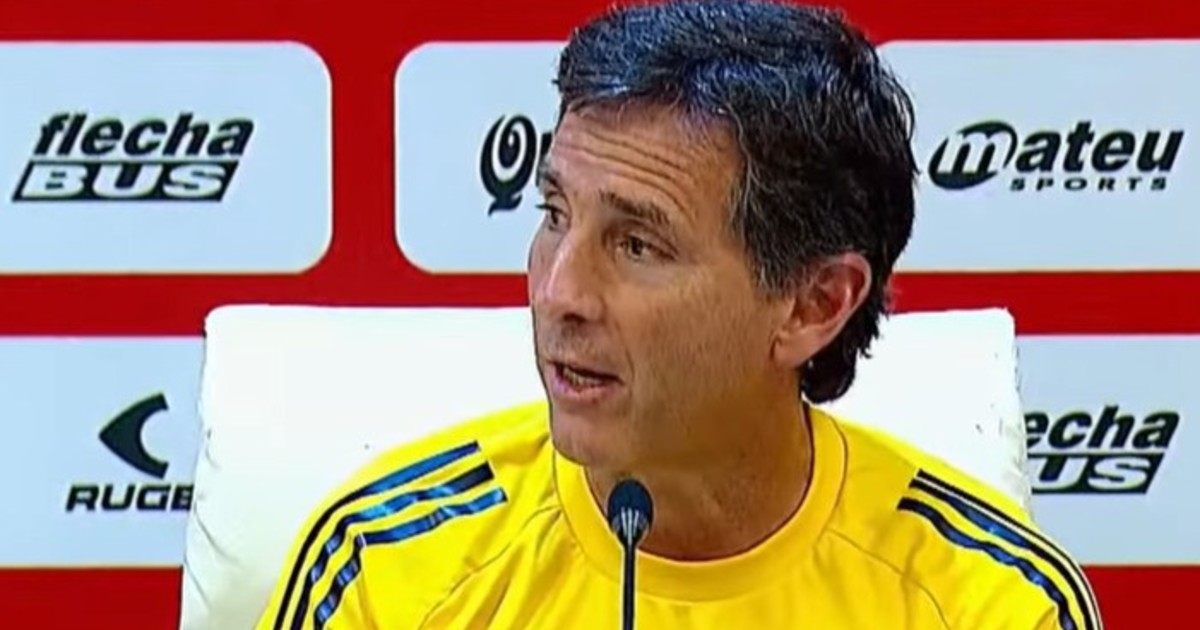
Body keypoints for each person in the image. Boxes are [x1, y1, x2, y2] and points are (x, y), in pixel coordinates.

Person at [256, 1, 1102, 628]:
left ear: (814, 304)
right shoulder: (383, 569)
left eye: (637, 245)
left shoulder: (991, 604)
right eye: (554, 215)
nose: (558, 293)